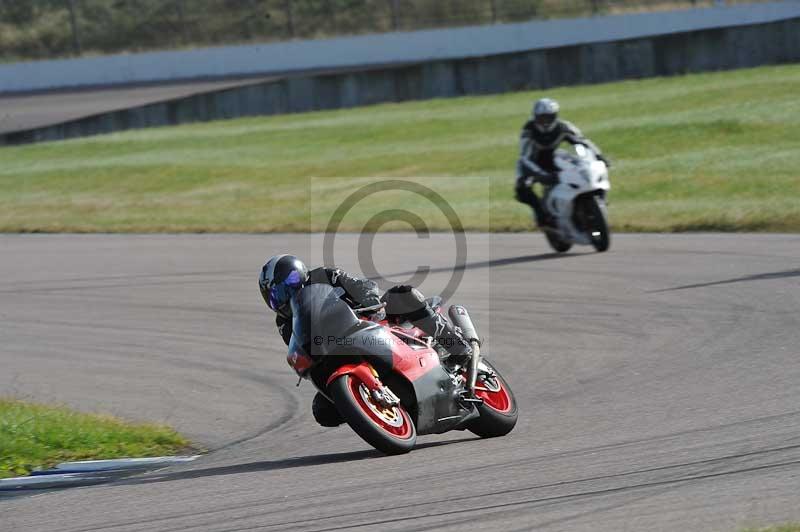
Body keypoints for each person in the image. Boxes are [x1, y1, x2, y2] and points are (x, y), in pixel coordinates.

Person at [258, 254, 474, 427]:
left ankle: (458, 347)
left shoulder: (325, 275)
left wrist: (371, 306)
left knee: (403, 294)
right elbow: (300, 344)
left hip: (369, 319)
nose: (287, 293)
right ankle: (367, 406)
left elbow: (361, 286)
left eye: (291, 282)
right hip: (335, 349)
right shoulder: (284, 323)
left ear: (301, 274)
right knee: (323, 412)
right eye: (277, 293)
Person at [515, 97, 610, 228]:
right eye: (542, 118)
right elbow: (524, 158)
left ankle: (599, 201)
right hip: (531, 163)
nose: (545, 122)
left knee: (584, 170)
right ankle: (541, 215)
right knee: (522, 188)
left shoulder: (563, 127)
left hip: (552, 158)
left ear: (555, 116)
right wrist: (541, 175)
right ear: (535, 117)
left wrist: (599, 156)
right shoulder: (528, 131)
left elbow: (583, 141)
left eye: (548, 118)